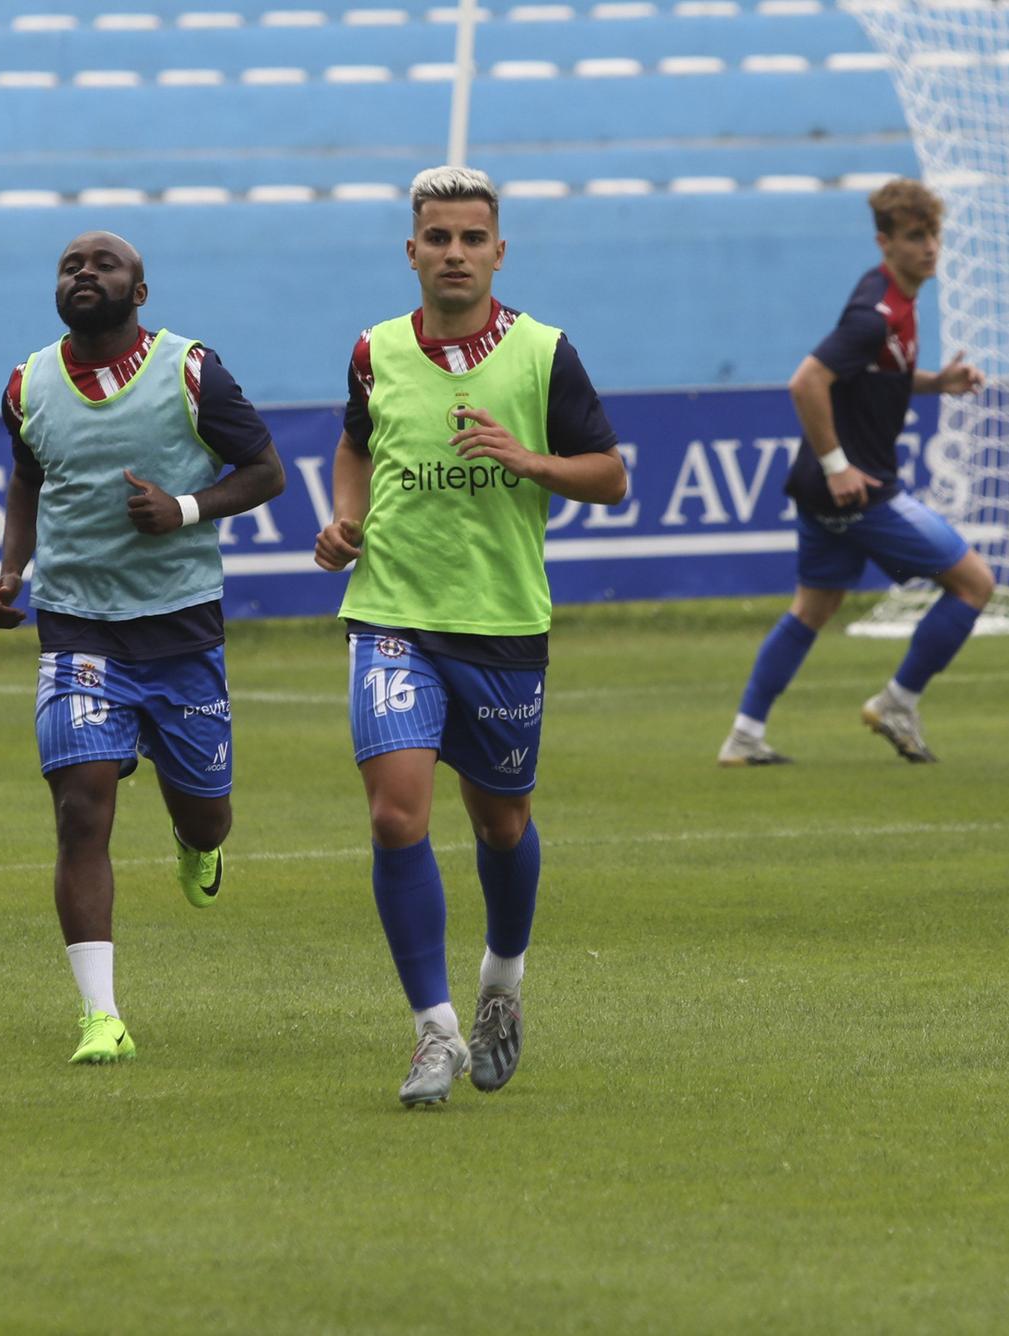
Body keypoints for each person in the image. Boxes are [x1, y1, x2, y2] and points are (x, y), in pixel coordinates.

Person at [313, 167, 627, 1107]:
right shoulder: (374, 351)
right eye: (437, 239)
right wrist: (344, 518)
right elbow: (358, 444)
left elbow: (610, 476)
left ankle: (502, 984)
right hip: (391, 615)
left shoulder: (543, 352)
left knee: (502, 822)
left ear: (498, 251)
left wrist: (530, 460)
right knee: (396, 814)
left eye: (471, 239)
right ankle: (434, 1032)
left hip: (501, 623)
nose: (454, 253)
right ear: (411, 251)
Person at [0, 231, 284, 1063]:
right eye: (70, 265)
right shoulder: (27, 384)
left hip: (182, 629)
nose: (84, 273)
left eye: (103, 264)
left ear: (139, 291)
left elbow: (266, 471)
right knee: (82, 808)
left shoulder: (192, 371)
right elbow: (27, 478)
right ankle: (101, 1017)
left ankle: (199, 846)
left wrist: (185, 509)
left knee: (206, 810)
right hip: (77, 627)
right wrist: (12, 570)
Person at [718, 180, 992, 769]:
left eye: (934, 235)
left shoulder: (892, 297)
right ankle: (897, 702)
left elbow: (872, 376)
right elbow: (808, 381)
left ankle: (743, 736)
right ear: (884, 242)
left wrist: (935, 383)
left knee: (812, 609)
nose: (930, 248)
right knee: (975, 585)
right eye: (915, 237)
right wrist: (840, 466)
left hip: (824, 490)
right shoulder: (876, 313)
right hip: (858, 491)